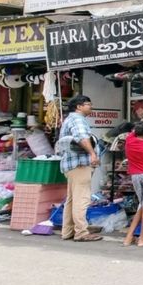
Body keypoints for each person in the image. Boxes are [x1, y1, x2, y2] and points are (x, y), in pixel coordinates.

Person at [56, 95, 101, 242]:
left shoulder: (70, 119)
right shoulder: (77, 119)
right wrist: (93, 154)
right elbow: (82, 137)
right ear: (79, 106)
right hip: (80, 164)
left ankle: (67, 231)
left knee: (72, 199)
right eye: (88, 104)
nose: (91, 106)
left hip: (71, 166)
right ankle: (81, 232)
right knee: (81, 199)